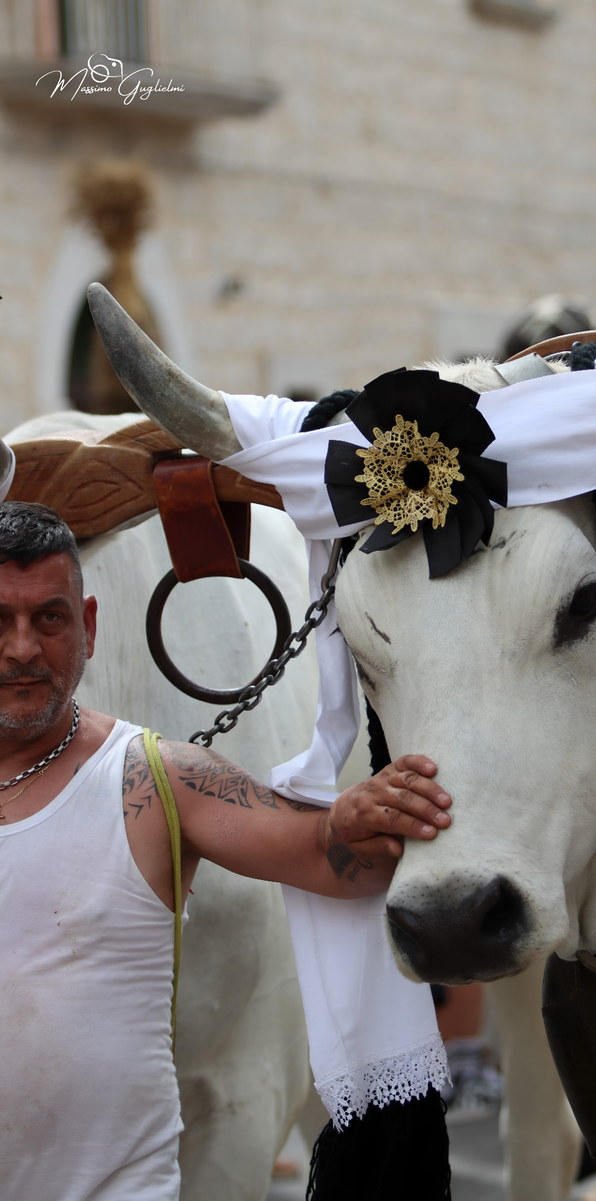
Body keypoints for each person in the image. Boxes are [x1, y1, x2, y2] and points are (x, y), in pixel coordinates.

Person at [0, 500, 452, 1201]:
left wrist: (364, 818)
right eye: (0, 619)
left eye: (48, 618)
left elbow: (324, 851)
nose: (23, 647)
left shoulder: (153, 779)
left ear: (88, 625)